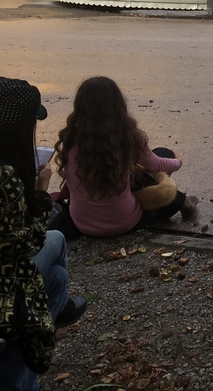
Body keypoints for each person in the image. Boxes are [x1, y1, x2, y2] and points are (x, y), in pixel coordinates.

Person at [0, 77, 87, 391]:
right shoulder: (5, 177)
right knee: (55, 241)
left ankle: (59, 303)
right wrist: (39, 193)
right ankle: (18, 380)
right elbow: (24, 245)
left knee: (58, 279)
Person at [52, 77, 197, 238]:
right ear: (117, 104)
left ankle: (182, 201)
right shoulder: (127, 137)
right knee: (162, 156)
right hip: (125, 222)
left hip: (83, 224)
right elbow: (157, 164)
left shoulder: (70, 138)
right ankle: (183, 201)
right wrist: (177, 162)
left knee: (135, 175)